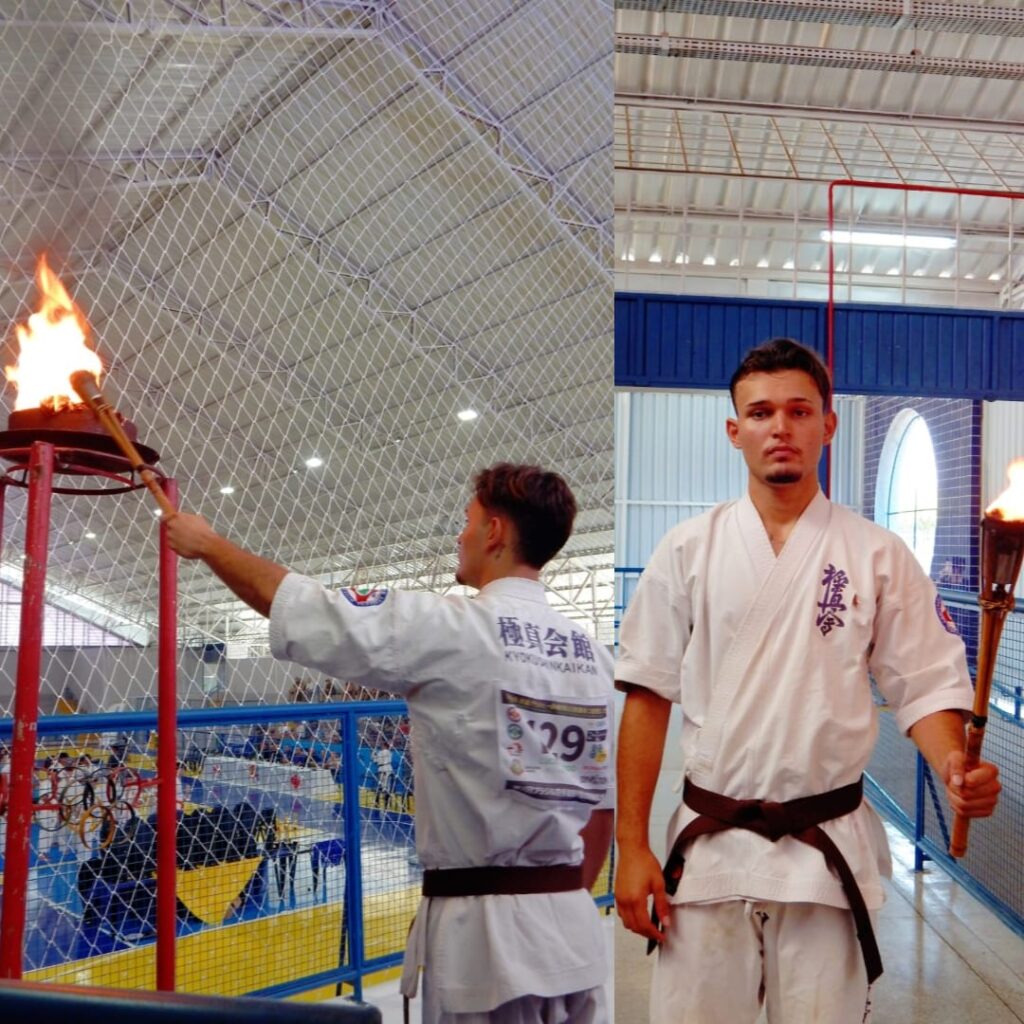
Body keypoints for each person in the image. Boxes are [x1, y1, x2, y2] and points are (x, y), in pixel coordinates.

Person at [614, 339, 1001, 1024]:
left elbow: (926, 684)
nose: (781, 427)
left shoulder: (877, 555)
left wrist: (950, 762)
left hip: (827, 858)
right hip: (709, 853)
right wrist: (633, 845)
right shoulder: (686, 550)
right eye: (761, 413)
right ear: (735, 432)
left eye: (799, 410)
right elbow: (646, 696)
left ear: (829, 424)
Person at [166, 462, 615, 1023]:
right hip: (574, 930)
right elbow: (601, 815)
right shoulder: (595, 658)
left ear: (496, 532)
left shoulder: (449, 627)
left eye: (468, 521)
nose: (460, 535)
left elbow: (307, 611)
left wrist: (209, 545)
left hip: (486, 942)